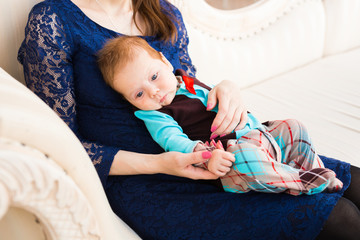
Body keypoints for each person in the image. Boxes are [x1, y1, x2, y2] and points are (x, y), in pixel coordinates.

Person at [17, 0, 360, 239]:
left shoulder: (162, 10)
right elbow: (60, 143)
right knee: (339, 217)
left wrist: (227, 89)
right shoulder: (52, 21)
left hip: (219, 149)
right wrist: (162, 164)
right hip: (149, 183)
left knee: (355, 184)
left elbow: (188, 86)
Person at [97, 35, 343, 196]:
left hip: (259, 134)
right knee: (246, 159)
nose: (154, 92)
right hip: (227, 160)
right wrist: (205, 156)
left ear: (165, 62)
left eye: (154, 77)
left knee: (293, 126)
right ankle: (300, 181)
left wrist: (226, 86)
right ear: (130, 101)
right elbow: (174, 141)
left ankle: (310, 168)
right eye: (139, 94)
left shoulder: (188, 82)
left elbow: (219, 99)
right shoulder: (155, 115)